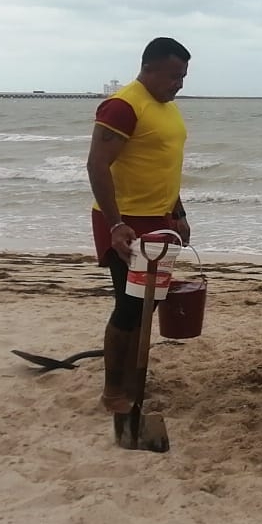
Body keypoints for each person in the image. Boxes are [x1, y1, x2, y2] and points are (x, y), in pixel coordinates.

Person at [86, 37, 192, 415]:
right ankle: (113, 392)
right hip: (126, 222)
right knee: (129, 306)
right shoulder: (123, 106)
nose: (178, 84)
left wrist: (178, 212)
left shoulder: (166, 107)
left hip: (159, 218)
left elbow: (164, 163)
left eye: (183, 76)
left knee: (148, 305)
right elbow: (97, 166)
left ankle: (133, 377)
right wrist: (116, 225)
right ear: (148, 68)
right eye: (173, 76)